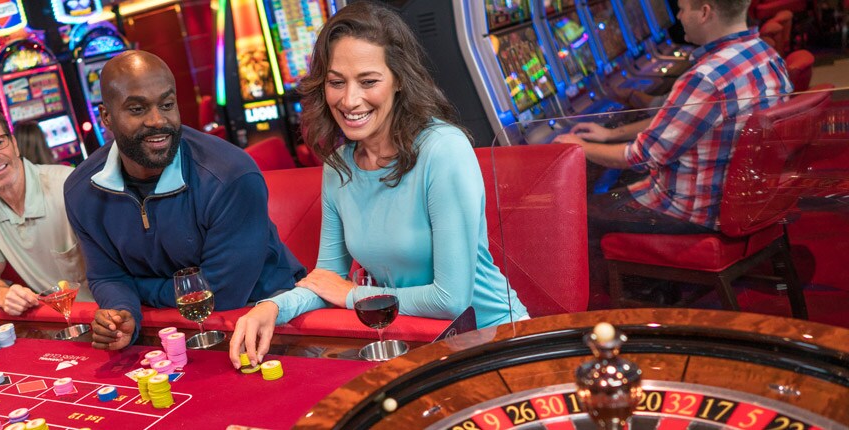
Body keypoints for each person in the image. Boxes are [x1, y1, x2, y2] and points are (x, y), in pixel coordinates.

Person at [229, 0, 529, 369]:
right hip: (414, 344)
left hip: (491, 339)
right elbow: (327, 281)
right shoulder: (339, 166)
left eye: (368, 81)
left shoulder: (443, 149)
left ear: (399, 80)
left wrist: (353, 295)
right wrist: (272, 307)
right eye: (336, 82)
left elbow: (451, 300)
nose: (349, 100)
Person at [62, 50, 306, 351]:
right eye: (137, 109)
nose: (157, 121)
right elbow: (107, 275)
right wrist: (124, 312)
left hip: (265, 317)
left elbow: (221, 293)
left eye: (167, 105)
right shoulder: (81, 190)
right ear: (107, 117)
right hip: (172, 326)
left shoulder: (230, 175)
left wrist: (135, 287)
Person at [553, 0, 792, 299]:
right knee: (617, 186)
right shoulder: (764, 54)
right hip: (751, 201)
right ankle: (657, 286)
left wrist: (579, 147)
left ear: (705, 12)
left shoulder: (705, 77)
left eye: (681, 9)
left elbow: (642, 156)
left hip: (698, 212)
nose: (677, 17)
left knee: (576, 212)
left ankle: (629, 313)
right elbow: (678, 120)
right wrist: (609, 133)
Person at [0, 104, 88, 316]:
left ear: (14, 144)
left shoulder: (67, 186)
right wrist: (3, 295)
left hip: (104, 313)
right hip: (55, 319)